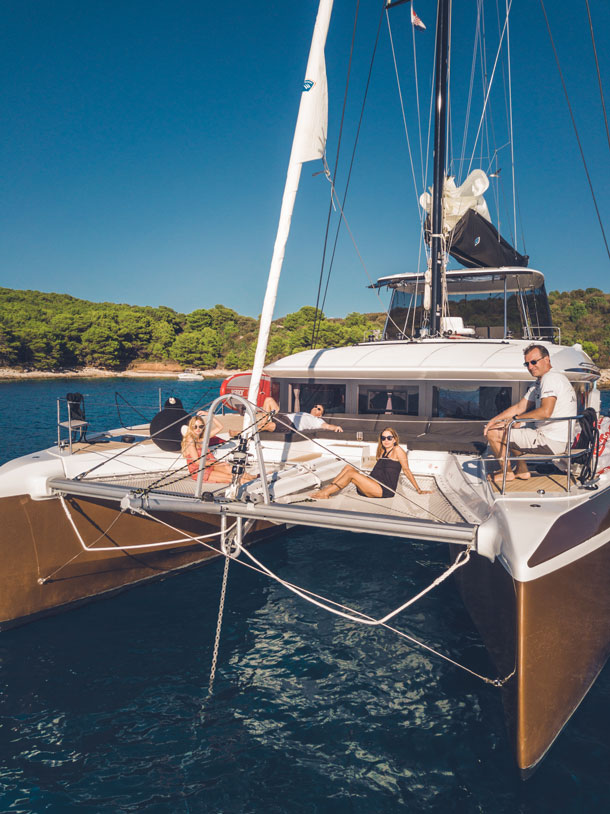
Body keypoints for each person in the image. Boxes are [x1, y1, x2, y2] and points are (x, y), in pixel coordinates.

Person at [484, 343, 578, 484]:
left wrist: (516, 419)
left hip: (551, 441)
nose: (530, 367)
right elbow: (520, 406)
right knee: (511, 427)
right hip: (555, 438)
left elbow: (545, 412)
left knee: (493, 433)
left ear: (546, 359)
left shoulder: (550, 379)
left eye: (534, 362)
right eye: (526, 364)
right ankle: (522, 470)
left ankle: (506, 473)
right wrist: (494, 420)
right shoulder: (540, 382)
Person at [310, 427, 432, 499]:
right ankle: (327, 490)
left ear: (395, 439)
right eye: (383, 438)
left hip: (384, 490)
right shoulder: (383, 451)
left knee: (352, 474)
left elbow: (406, 470)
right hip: (372, 484)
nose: (386, 440)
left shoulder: (398, 450)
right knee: (348, 467)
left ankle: (325, 493)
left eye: (389, 438)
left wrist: (418, 489)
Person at [181, 414, 254, 484]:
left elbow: (220, 427)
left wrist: (209, 415)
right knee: (230, 477)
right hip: (199, 470)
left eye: (201, 426)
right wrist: (217, 463)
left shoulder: (203, 438)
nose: (198, 429)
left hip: (209, 465)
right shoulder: (190, 439)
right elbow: (197, 462)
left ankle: (254, 478)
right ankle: (250, 483)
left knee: (228, 468)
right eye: (195, 427)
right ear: (191, 427)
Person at [257, 397, 344, 433]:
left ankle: (251, 432)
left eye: (319, 409)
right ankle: (263, 423)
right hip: (284, 417)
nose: (315, 408)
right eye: (315, 406)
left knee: (268, 425)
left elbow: (327, 426)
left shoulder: (318, 420)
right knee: (268, 400)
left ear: (320, 415)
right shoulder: (306, 413)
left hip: (290, 425)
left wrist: (335, 427)